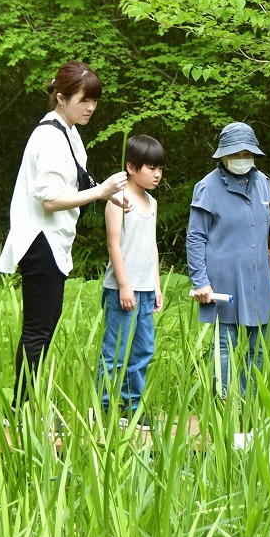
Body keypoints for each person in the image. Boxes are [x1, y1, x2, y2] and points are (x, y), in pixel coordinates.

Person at [0, 61, 128, 410]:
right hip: (40, 240)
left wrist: (108, 192)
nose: (90, 108)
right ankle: (21, 410)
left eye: (95, 101)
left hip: (51, 241)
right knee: (38, 330)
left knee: (44, 327)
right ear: (61, 97)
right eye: (84, 100)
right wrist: (101, 192)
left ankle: (26, 406)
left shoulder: (66, 130)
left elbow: (77, 178)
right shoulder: (49, 137)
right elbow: (51, 199)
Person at [187, 123, 270, 402]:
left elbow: (257, 225)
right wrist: (201, 281)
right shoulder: (207, 187)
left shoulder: (262, 182)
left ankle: (248, 397)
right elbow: (195, 238)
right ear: (223, 155)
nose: (242, 157)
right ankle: (223, 401)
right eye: (236, 152)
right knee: (225, 344)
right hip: (224, 278)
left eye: (247, 152)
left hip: (259, 276)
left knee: (262, 344)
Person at [98, 135, 165, 423]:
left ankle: (131, 408)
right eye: (151, 168)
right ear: (131, 167)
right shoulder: (118, 199)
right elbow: (114, 245)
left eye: (160, 168)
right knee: (115, 351)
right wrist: (125, 285)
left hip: (146, 289)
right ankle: (103, 409)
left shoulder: (152, 202)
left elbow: (152, 245)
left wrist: (157, 285)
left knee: (143, 350)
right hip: (121, 290)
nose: (157, 174)